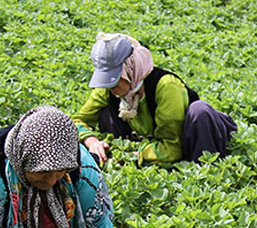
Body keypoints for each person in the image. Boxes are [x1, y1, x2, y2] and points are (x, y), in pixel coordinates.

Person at [74, 32, 237, 165]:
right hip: (151, 142)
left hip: (191, 141)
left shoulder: (166, 87)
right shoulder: (109, 88)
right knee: (106, 112)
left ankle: (202, 170)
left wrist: (136, 155)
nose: (110, 87)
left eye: (115, 79)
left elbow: (173, 148)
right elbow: (75, 122)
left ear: (130, 69)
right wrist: (91, 141)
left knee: (199, 111)